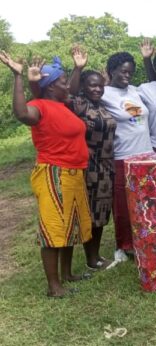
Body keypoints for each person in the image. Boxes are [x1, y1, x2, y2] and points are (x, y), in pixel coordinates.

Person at [0, 52, 92, 297]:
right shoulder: (39, 107)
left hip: (74, 173)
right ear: (51, 87)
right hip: (54, 173)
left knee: (70, 226)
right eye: (62, 82)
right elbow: (22, 114)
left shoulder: (62, 105)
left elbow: (72, 87)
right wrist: (18, 76)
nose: (67, 86)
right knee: (54, 229)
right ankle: (54, 286)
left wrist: (77, 69)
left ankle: (67, 274)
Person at [66, 46, 116, 270]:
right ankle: (92, 258)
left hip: (106, 167)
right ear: (83, 88)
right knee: (91, 214)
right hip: (90, 167)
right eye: (92, 85)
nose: (97, 89)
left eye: (100, 86)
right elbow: (68, 94)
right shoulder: (80, 105)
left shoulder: (101, 105)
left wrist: (107, 81)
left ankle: (95, 256)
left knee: (102, 213)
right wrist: (78, 69)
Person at [102, 51, 153, 262]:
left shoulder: (135, 90)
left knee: (147, 200)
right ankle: (123, 246)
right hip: (123, 156)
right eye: (123, 71)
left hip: (147, 155)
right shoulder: (104, 93)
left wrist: (148, 59)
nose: (127, 76)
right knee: (123, 206)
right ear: (111, 71)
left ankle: (147, 238)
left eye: (130, 72)